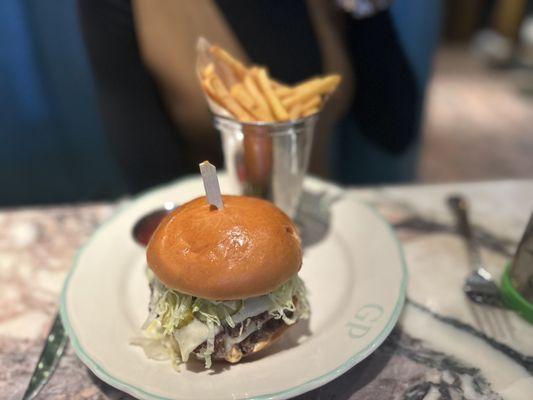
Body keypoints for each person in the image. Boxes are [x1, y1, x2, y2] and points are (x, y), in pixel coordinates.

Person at [79, 0, 441, 193]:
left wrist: (368, 11)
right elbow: (151, 180)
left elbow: (394, 132)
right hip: (213, 238)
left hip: (326, 227)